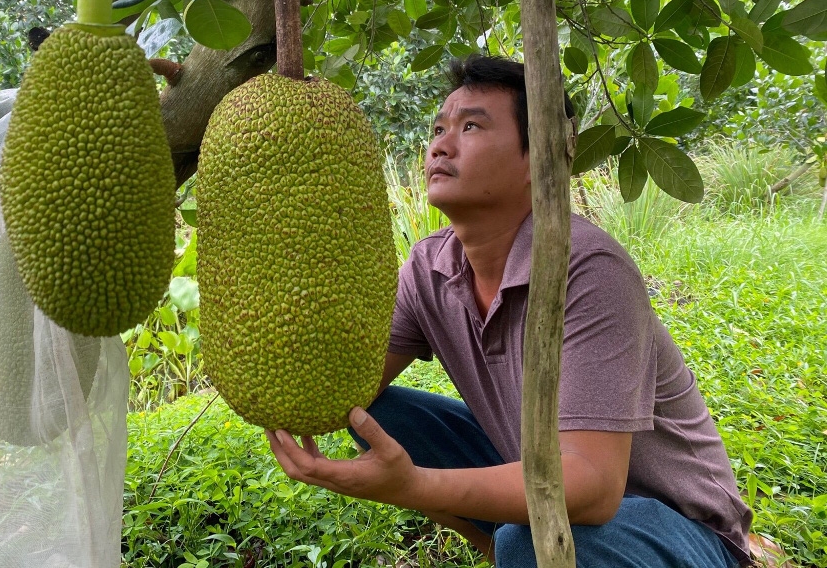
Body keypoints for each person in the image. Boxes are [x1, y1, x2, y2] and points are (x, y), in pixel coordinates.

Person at [265, 56, 753, 567]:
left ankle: (515, 553)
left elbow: (591, 486)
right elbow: (345, 384)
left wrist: (412, 485)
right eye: (438, 128)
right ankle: (504, 553)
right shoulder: (430, 266)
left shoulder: (587, 268)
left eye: (471, 126)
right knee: (375, 415)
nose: (439, 145)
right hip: (540, 471)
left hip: (681, 529)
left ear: (538, 157)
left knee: (533, 541)